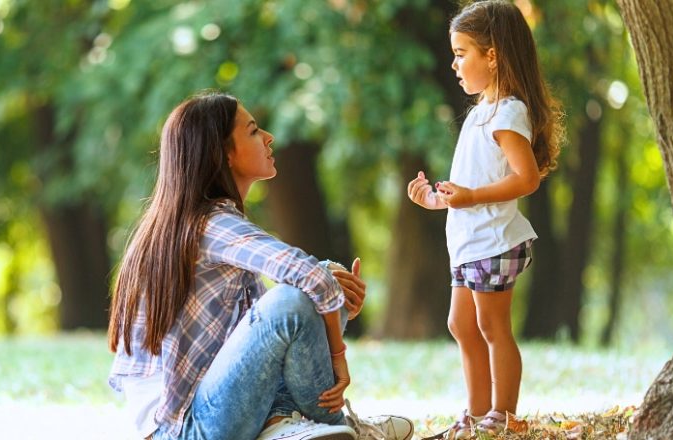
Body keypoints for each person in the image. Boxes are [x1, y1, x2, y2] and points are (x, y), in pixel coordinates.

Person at [108, 91, 414, 440]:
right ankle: (335, 426)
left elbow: (267, 336)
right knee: (296, 297)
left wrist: (331, 300)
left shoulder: (193, 221)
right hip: (185, 429)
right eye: (253, 131)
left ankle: (282, 425)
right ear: (224, 153)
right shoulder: (210, 224)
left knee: (319, 282)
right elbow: (303, 281)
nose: (269, 138)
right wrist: (338, 356)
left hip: (209, 412)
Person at [407, 1, 563, 438]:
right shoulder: (481, 111)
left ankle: (504, 414)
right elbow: (471, 185)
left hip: (495, 241)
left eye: (462, 53)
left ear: (492, 55)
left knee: (493, 326)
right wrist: (438, 200)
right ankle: (476, 414)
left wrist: (471, 196)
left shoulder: (509, 112)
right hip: (470, 240)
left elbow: (526, 179)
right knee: (460, 324)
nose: (454, 64)